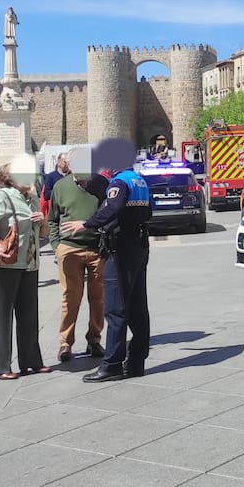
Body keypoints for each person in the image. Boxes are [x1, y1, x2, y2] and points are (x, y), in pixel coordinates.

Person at [62, 155, 151, 382]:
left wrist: (86, 223)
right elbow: (149, 213)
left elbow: (112, 208)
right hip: (139, 246)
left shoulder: (119, 183)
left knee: (116, 308)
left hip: (119, 250)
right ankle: (136, 362)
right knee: (138, 307)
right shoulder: (138, 180)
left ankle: (112, 364)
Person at [0, 159, 51, 380]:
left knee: (29, 315)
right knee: (1, 314)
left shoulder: (32, 199)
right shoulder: (1, 198)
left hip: (29, 264)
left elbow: (44, 233)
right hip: (5, 264)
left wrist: (43, 221)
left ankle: (31, 362)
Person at [47, 169, 106, 363]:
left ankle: (94, 339)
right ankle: (66, 342)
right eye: (81, 177)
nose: (85, 182)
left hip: (97, 249)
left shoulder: (102, 184)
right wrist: (57, 247)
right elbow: (53, 219)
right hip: (70, 248)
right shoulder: (60, 186)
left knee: (98, 298)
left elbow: (108, 214)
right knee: (70, 297)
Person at [40, 153, 71, 219]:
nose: (68, 164)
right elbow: (46, 195)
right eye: (65, 161)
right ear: (59, 162)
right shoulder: (51, 177)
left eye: (69, 161)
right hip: (56, 213)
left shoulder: (72, 176)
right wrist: (61, 193)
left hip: (70, 211)